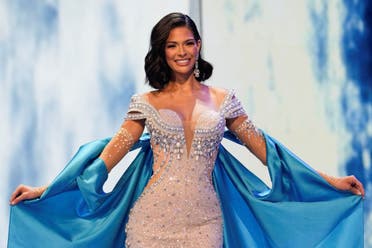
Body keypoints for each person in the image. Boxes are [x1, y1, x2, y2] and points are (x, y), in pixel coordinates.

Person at [9, 12, 365, 247]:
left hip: (205, 222)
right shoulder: (145, 103)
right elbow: (106, 160)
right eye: (172, 45)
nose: (182, 52)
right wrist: (46, 190)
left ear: (198, 45)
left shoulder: (225, 100)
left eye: (188, 43)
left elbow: (268, 154)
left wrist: (329, 182)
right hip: (150, 221)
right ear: (162, 52)